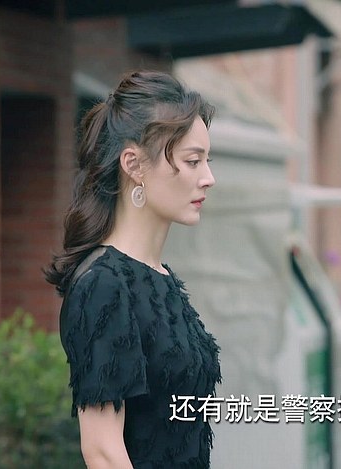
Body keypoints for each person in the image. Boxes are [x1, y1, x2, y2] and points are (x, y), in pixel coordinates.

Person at [45, 70, 222, 468]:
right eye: (193, 161)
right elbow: (103, 451)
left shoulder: (162, 279)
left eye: (207, 161)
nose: (208, 178)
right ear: (134, 164)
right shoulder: (103, 284)